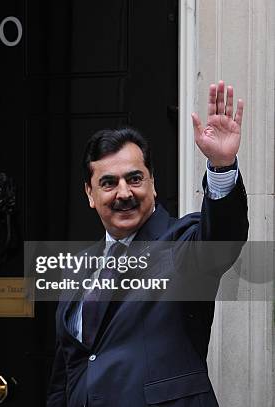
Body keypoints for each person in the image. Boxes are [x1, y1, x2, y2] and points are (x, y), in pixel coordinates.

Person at [47, 81, 248, 406]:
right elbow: (67, 371)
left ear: (152, 183)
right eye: (108, 183)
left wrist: (222, 167)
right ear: (90, 194)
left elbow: (221, 240)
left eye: (134, 179)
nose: (124, 192)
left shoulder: (182, 245)